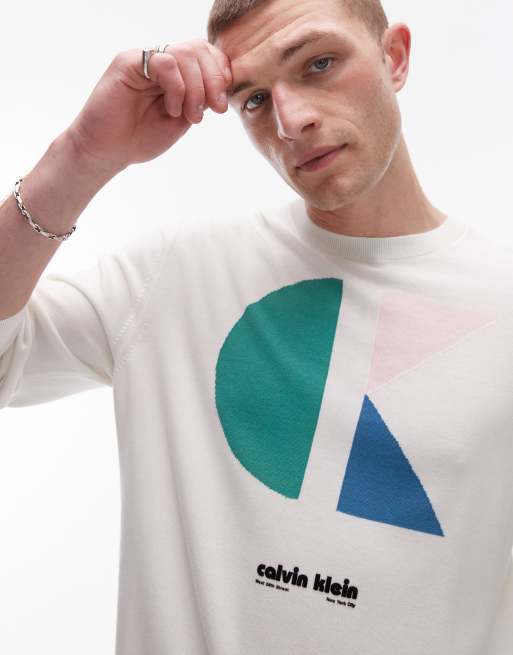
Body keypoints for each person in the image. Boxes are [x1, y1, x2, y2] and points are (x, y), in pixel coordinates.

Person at [1, 0, 512, 652]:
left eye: (319, 64)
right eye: (254, 99)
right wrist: (81, 154)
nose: (292, 121)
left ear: (395, 57)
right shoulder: (174, 277)